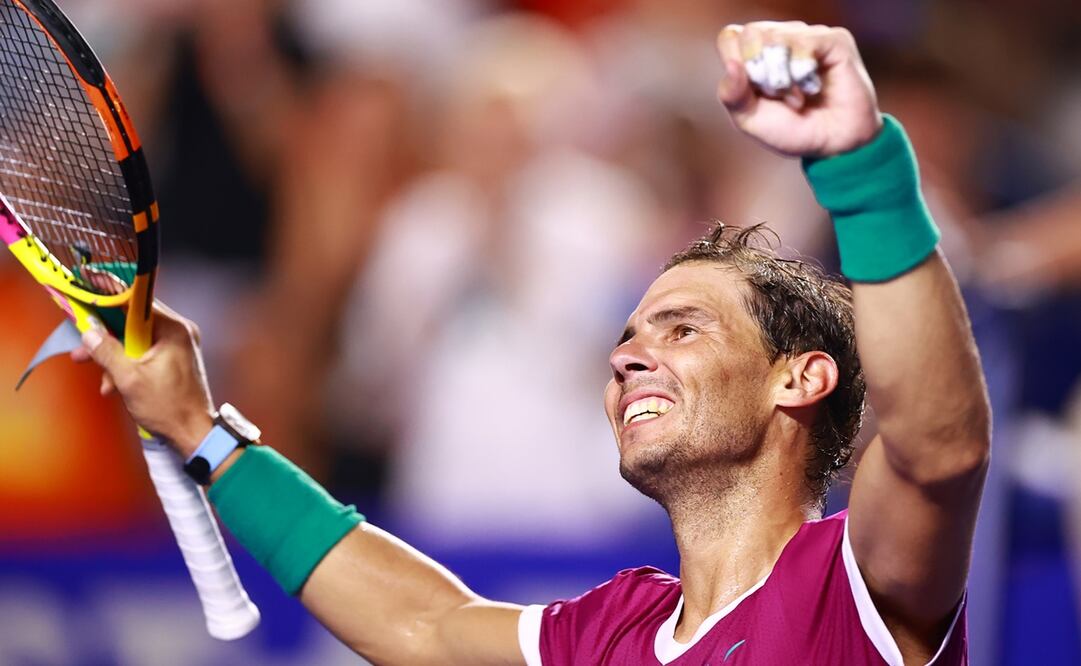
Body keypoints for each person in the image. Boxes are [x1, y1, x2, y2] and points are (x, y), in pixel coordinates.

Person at [75, 21, 989, 665]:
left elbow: (937, 444)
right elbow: (426, 625)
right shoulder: (613, 632)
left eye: (683, 328)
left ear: (801, 379)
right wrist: (200, 427)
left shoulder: (849, 586)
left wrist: (860, 166)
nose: (627, 355)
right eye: (628, 335)